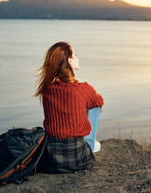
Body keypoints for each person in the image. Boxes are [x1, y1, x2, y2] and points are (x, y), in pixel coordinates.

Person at [34, 41, 104, 173]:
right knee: (95, 105)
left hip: (52, 159)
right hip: (77, 159)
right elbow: (99, 101)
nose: (78, 58)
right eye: (75, 55)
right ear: (70, 62)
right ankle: (89, 141)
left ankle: (84, 140)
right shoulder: (83, 89)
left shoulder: (47, 89)